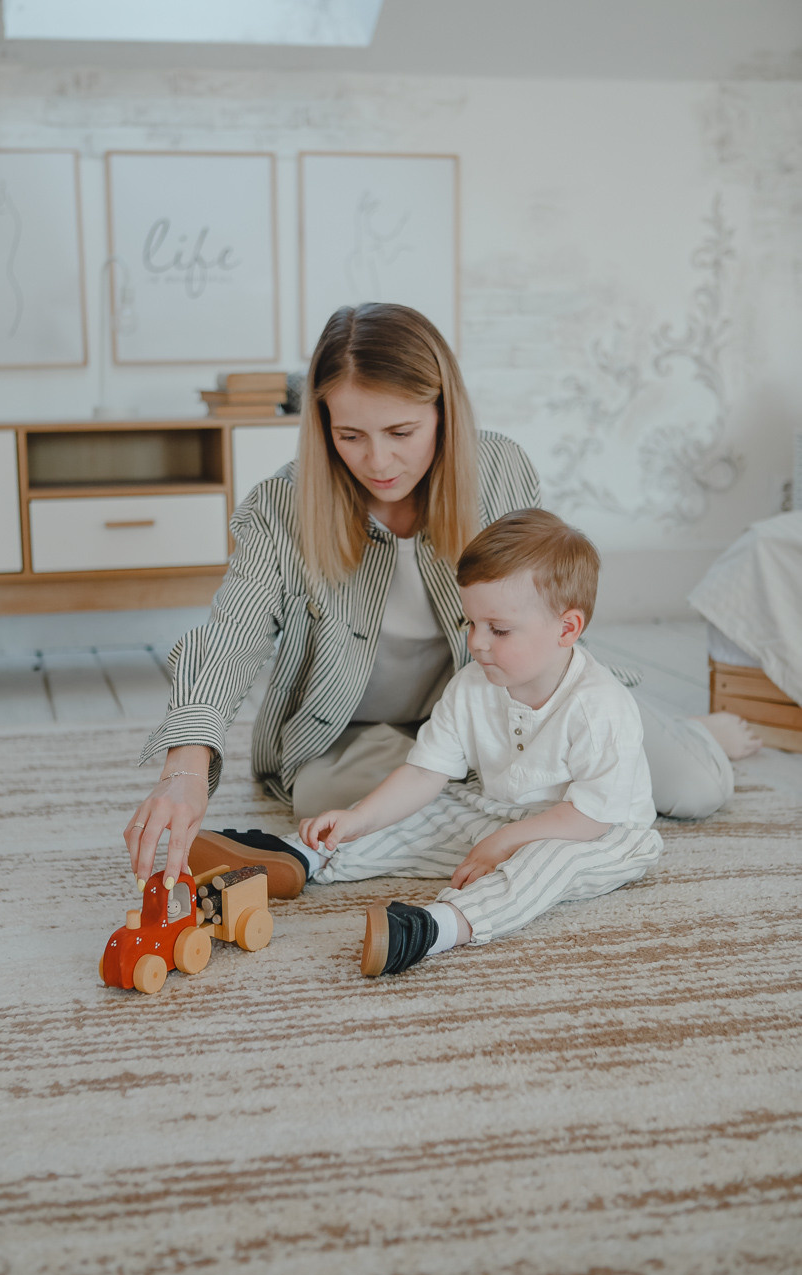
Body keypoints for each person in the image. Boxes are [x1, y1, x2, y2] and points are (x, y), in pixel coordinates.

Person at [125, 303, 754, 893]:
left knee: (696, 787)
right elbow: (229, 637)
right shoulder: (280, 507)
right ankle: (517, 773)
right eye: (350, 436)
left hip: (502, 696)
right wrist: (185, 766)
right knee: (328, 802)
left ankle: (661, 734)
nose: (379, 461)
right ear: (322, 428)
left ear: (443, 411)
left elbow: (539, 611)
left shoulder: (500, 467)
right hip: (361, 728)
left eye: (402, 431)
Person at [291, 509, 664, 976]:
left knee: (547, 865)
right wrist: (358, 816)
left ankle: (439, 926)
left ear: (567, 629)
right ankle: (303, 855)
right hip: (501, 812)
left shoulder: (599, 707)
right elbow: (425, 772)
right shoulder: (473, 684)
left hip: (598, 832)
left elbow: (588, 817)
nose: (476, 643)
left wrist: (502, 844)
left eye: (498, 630)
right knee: (429, 813)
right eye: (471, 623)